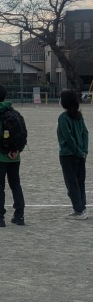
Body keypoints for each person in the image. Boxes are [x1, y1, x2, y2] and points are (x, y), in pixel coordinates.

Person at [0, 84, 25, 227]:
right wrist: (16, 150)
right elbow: (22, 134)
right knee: (15, 185)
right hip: (15, 156)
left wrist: (5, 151)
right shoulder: (14, 111)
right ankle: (19, 215)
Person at [57, 90, 89, 220]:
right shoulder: (79, 116)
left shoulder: (63, 118)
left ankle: (78, 210)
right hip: (80, 155)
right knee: (80, 182)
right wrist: (84, 151)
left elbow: (68, 138)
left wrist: (78, 151)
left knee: (72, 183)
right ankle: (82, 207)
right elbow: (85, 133)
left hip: (68, 155)